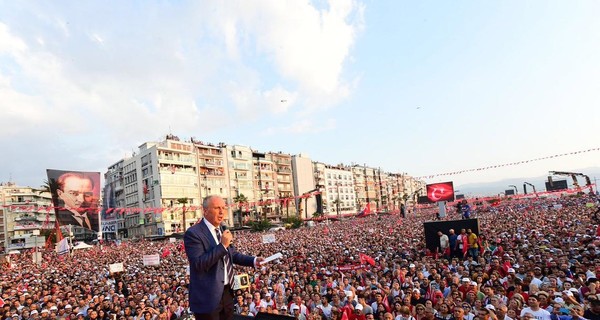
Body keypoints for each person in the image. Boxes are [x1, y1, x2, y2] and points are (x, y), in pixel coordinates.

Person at [184, 195, 264, 320]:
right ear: (205, 211)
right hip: (207, 297)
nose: (222, 211)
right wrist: (222, 246)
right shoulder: (193, 233)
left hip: (227, 293)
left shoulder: (222, 229)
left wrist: (253, 260)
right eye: (217, 208)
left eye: (223, 207)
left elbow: (232, 254)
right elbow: (198, 264)